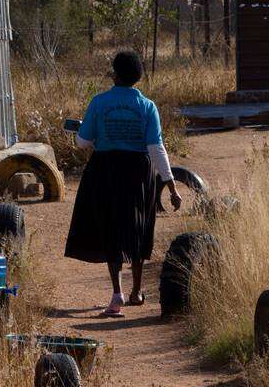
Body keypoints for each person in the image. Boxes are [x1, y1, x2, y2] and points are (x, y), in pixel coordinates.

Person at [65, 50, 182, 317]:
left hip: (105, 169)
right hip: (139, 172)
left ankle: (116, 294)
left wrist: (96, 137)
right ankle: (137, 291)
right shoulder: (147, 106)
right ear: (138, 76)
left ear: (115, 74)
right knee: (138, 227)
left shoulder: (99, 102)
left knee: (111, 228)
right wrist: (171, 185)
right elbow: (156, 148)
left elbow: (83, 142)